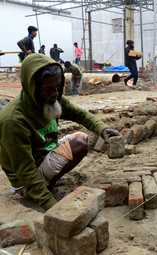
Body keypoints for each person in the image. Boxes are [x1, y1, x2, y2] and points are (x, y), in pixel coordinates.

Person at [0, 53, 121, 211]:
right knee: (79, 144)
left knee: (81, 137)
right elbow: (26, 171)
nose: (55, 93)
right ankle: (47, 187)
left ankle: (49, 179)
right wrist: (51, 206)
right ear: (32, 87)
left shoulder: (51, 98)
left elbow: (80, 114)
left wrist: (102, 128)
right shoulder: (13, 120)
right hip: (25, 182)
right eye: (48, 89)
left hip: (42, 156)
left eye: (57, 87)